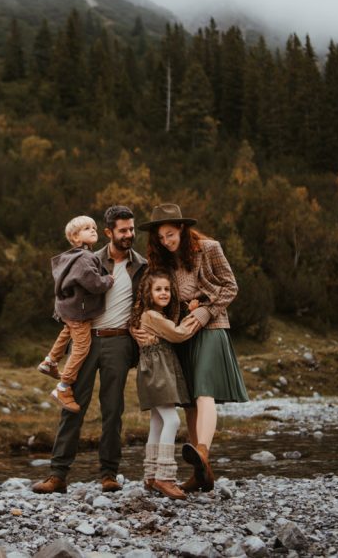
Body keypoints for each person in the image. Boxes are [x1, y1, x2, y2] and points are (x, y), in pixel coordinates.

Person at [32, 205, 148, 494]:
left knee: (113, 409)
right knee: (72, 406)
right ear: (109, 232)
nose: (129, 235)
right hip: (87, 340)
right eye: (123, 230)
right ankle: (58, 475)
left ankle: (109, 474)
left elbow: (148, 300)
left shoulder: (142, 265)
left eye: (132, 229)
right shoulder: (88, 259)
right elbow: (67, 295)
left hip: (120, 342)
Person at [139, 203, 249, 493]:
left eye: (171, 235)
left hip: (210, 326)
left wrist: (203, 312)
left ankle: (202, 450)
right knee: (188, 402)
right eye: (161, 237)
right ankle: (202, 474)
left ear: (183, 229)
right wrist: (137, 328)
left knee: (204, 390)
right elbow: (148, 297)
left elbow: (230, 287)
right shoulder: (161, 261)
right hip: (180, 334)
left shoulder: (209, 248)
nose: (166, 241)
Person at [39, 216, 115, 413]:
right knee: (81, 347)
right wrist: (108, 279)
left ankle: (50, 361)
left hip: (68, 309)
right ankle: (63, 387)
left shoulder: (70, 256)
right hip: (79, 311)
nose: (93, 231)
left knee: (67, 331)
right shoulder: (84, 258)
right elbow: (94, 284)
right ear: (74, 237)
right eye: (86, 229)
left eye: (94, 228)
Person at [128, 270, 192, 500]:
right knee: (172, 420)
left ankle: (151, 474)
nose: (164, 293)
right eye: (158, 289)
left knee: (157, 421)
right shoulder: (153, 316)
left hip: (154, 371)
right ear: (148, 293)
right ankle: (164, 476)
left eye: (166, 289)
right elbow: (178, 334)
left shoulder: (149, 315)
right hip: (157, 373)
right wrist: (196, 317)